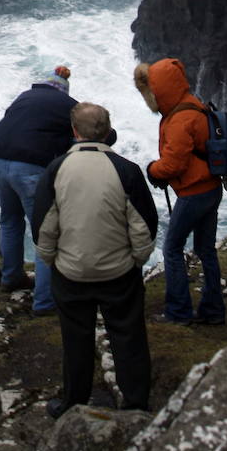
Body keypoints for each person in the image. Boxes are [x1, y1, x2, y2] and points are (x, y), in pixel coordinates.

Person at [33, 102, 157, 418]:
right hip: (119, 273)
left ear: (74, 131)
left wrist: (52, 261)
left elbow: (44, 226)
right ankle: (136, 403)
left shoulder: (57, 169)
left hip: (71, 273)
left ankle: (74, 402)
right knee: (129, 337)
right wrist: (135, 261)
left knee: (76, 339)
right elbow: (144, 225)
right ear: (107, 130)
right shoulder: (126, 169)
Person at [134, 57, 225, 326]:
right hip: (212, 188)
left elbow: (174, 163)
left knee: (172, 248)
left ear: (159, 91)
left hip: (194, 194)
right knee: (206, 249)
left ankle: (178, 312)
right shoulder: (193, 104)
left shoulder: (177, 120)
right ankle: (213, 311)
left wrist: (153, 169)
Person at [0, 64, 76, 309]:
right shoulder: (66, 105)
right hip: (28, 167)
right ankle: (45, 301)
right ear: (63, 91)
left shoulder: (24, 97)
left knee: (10, 220)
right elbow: (94, 132)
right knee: (45, 231)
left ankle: (11, 277)